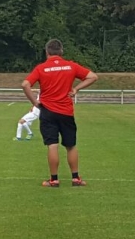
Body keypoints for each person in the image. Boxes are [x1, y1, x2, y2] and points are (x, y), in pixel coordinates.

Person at [22, 39, 98, 188]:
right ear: (61, 51)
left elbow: (25, 84)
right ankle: (75, 179)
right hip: (66, 111)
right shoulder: (71, 66)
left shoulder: (41, 68)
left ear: (47, 52)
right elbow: (93, 76)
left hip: (48, 111)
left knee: (52, 145)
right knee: (71, 145)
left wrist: (34, 102)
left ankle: (54, 180)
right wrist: (76, 89)